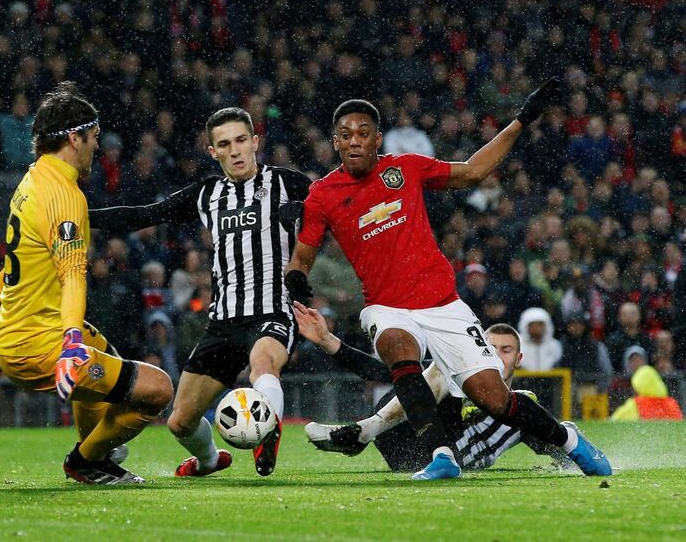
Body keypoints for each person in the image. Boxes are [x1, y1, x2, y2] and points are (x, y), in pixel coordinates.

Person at [285, 82, 611, 480]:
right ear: (336, 142)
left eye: (363, 133)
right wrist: (297, 280)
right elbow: (302, 257)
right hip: (385, 305)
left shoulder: (405, 167)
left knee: (495, 400)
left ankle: (569, 441)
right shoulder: (322, 195)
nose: (355, 142)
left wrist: (521, 120)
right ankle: (443, 457)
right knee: (396, 346)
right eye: (346, 135)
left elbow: (472, 171)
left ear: (377, 139)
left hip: (443, 305)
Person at [0, 82, 173, 485]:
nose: (96, 147)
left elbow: (24, 257)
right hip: (39, 343)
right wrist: (70, 341)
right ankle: (86, 460)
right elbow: (72, 274)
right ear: (74, 137)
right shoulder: (66, 196)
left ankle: (95, 444)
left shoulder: (31, 180)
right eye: (93, 138)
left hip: (16, 332)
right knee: (157, 390)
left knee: (101, 347)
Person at [88, 107, 312, 477]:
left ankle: (266, 432)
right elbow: (145, 214)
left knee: (262, 366)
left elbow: (335, 207)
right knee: (180, 422)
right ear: (213, 152)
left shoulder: (289, 184)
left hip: (272, 311)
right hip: (222, 323)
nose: (235, 150)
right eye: (225, 144)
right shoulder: (206, 193)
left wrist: (305, 210)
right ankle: (209, 461)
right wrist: (82, 214)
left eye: (242, 140)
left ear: (255, 142)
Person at [295, 303, 573, 471]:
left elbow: (552, 443)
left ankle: (364, 431)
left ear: (519, 358)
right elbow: (380, 372)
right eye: (492, 348)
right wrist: (327, 341)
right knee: (414, 374)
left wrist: (571, 452)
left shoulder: (521, 403)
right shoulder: (446, 375)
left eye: (507, 349)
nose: (499, 355)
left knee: (445, 371)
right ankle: (367, 429)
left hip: (456, 454)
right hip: (413, 442)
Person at [610, 365, 683, 421]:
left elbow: (614, 420)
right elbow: (679, 422)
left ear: (637, 384)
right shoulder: (671, 403)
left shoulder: (636, 403)